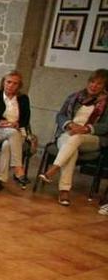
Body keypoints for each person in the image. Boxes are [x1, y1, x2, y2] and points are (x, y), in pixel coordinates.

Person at [38, 69, 108, 206]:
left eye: (99, 84)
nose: (94, 86)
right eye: (92, 82)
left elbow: (106, 125)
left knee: (77, 138)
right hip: (69, 133)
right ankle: (64, 191)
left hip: (92, 138)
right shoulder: (74, 97)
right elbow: (60, 116)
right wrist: (69, 124)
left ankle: (54, 169)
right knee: (72, 149)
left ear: (104, 87)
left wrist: (86, 128)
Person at [0, 70, 32, 192]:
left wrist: (17, 123)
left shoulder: (23, 99)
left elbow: (26, 119)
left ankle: (1, 179)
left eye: (15, 83)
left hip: (16, 130)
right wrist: (0, 122)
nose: (11, 85)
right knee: (12, 133)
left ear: (19, 86)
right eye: (8, 82)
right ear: (3, 82)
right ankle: (18, 168)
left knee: (7, 145)